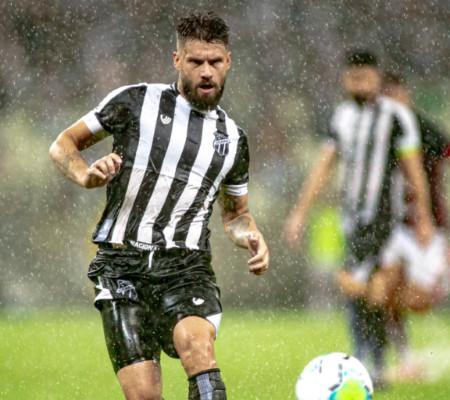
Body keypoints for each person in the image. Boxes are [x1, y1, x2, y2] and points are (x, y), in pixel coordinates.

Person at [49, 12, 269, 400]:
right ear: (177, 60)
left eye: (215, 62)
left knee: (197, 348)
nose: (206, 72)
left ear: (228, 62)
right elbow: (63, 144)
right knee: (144, 395)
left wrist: (251, 235)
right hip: (121, 265)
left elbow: (236, 214)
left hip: (185, 267)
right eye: (195, 61)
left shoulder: (233, 140)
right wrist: (86, 175)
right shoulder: (135, 102)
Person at [284, 50, 435, 386]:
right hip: (351, 219)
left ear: (377, 78)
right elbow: (324, 165)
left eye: (365, 77)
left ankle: (369, 361)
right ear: (344, 78)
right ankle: (370, 362)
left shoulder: (397, 116)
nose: (359, 84)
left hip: (385, 219)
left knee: (370, 287)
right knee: (359, 288)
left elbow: (414, 170)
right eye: (353, 78)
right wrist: (300, 211)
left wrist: (423, 216)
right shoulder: (342, 116)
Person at [366, 72, 450, 381]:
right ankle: (404, 360)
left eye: (398, 97)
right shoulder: (375, 131)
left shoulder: (426, 130)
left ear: (407, 97)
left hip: (429, 226)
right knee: (384, 289)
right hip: (394, 226)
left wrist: (427, 214)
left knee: (420, 300)